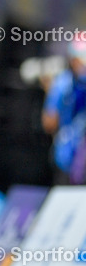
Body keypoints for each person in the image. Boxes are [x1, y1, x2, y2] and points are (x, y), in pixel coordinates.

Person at [42, 36, 86, 184]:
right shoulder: (64, 84)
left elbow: (49, 122)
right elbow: (50, 123)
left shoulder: (62, 83)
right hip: (68, 158)